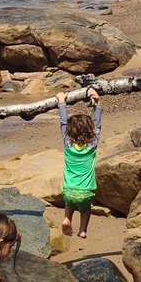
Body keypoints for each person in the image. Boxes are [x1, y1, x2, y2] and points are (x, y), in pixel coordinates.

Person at [55, 87, 101, 238]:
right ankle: (82, 230)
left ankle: (67, 218)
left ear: (69, 132)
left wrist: (61, 101)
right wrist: (97, 104)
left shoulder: (67, 144)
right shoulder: (92, 145)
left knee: (70, 203)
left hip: (68, 190)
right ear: (90, 131)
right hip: (85, 191)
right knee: (85, 208)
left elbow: (63, 122)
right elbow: (97, 124)